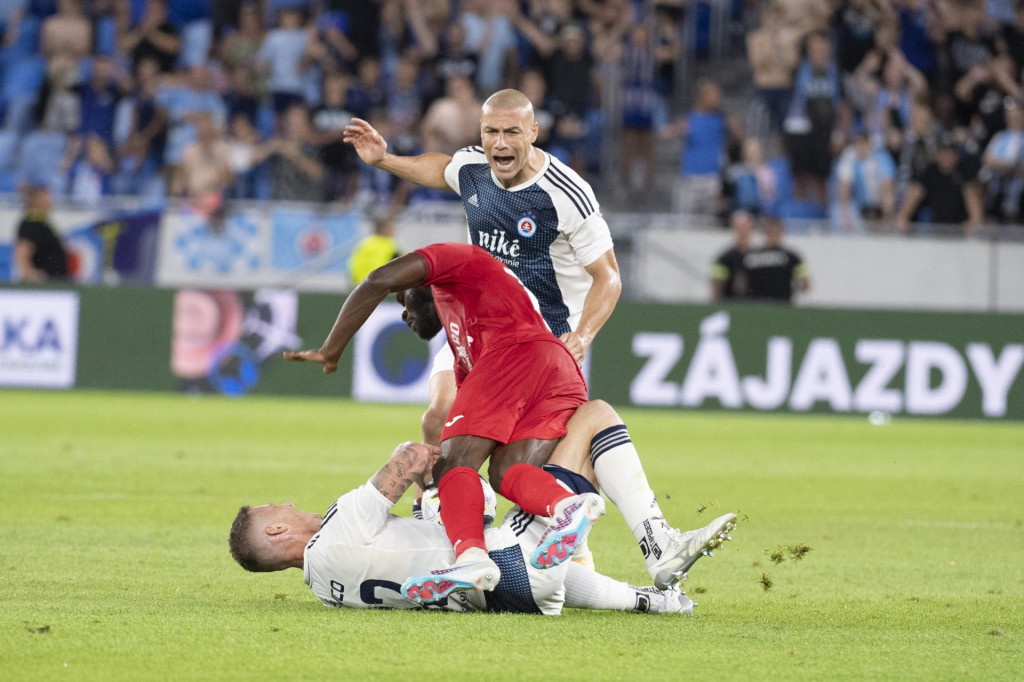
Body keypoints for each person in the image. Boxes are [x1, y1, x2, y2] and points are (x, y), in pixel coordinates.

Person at [285, 243, 731, 600]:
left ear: (421, 279)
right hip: (552, 368)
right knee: (504, 470)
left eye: (405, 298)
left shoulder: (454, 262)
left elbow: (377, 279)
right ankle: (584, 514)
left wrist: (332, 348)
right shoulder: (462, 336)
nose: (403, 310)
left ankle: (470, 558)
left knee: (454, 464)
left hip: (516, 353)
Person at [228, 400, 736, 615]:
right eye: (280, 507)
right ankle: (652, 540)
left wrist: (429, 508)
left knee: (536, 564)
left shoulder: (325, 592)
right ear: (275, 532)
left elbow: (404, 553)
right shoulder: (339, 523)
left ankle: (655, 601)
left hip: (508, 596)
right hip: (503, 557)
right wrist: (438, 459)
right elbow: (408, 458)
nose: (291, 503)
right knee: (588, 421)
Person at [341, 88, 621, 448]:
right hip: (478, 327)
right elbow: (443, 170)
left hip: (542, 336)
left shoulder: (566, 193)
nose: (500, 143)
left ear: (533, 132)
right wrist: (384, 159)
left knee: (520, 453)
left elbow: (608, 276)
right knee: (437, 418)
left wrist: (582, 337)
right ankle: (429, 505)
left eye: (512, 132)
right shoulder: (473, 167)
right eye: (491, 132)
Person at [745, 217, 810, 303]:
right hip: (756, 305)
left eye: (776, 232)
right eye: (771, 232)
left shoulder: (792, 257)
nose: (773, 236)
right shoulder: (751, 255)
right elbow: (742, 280)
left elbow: (805, 283)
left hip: (783, 305)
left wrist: (799, 285)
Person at [15, 185, 68, 282]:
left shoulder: (42, 223)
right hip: (45, 286)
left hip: (55, 282)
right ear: (35, 200)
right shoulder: (32, 224)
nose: (50, 200)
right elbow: (23, 252)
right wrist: (31, 274)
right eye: (46, 196)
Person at [710, 211, 754, 301]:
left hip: (753, 307)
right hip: (730, 305)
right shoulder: (724, 258)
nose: (743, 231)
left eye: (745, 227)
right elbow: (716, 285)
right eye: (740, 227)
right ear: (734, 229)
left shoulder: (758, 256)